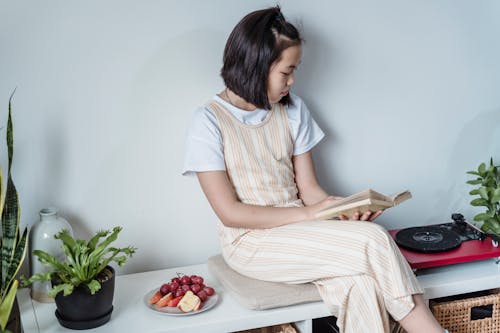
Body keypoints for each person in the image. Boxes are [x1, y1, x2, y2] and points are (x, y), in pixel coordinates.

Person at [183, 6, 447, 333]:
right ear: (257, 66)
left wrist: (342, 212)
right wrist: (311, 216)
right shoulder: (208, 121)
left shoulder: (294, 109)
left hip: (300, 228)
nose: (293, 81)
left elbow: (309, 191)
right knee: (374, 240)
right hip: (249, 242)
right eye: (286, 71)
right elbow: (230, 213)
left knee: (360, 284)